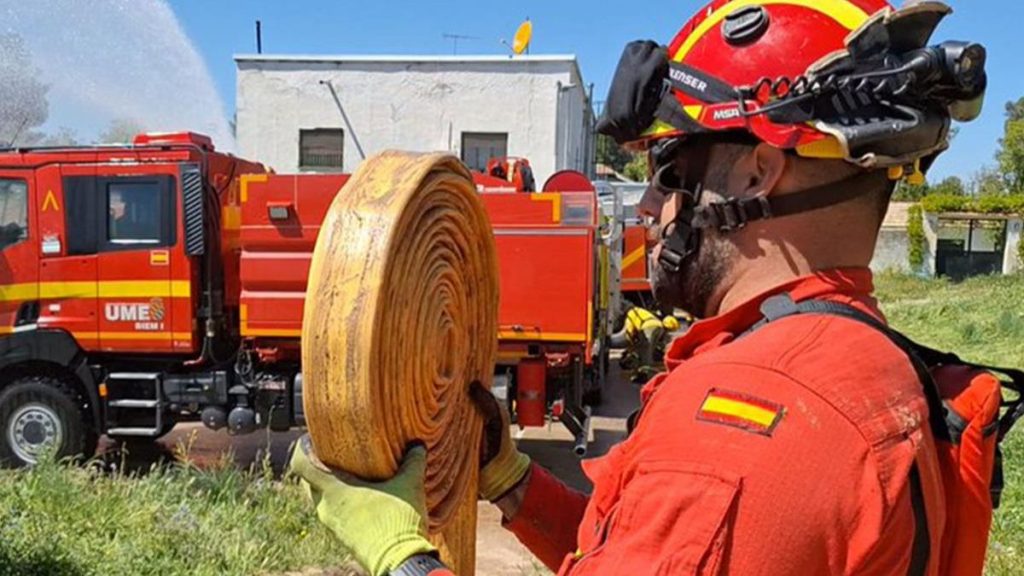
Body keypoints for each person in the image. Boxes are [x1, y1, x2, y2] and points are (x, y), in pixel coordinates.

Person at [289, 1, 990, 574]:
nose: (649, 210)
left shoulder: (750, 419)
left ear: (756, 172)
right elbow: (628, 554)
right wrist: (510, 481)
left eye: (667, 170)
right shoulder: (859, 355)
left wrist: (401, 557)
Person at [611, 306, 684, 383]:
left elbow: (629, 331)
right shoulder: (642, 311)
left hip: (648, 328)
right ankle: (645, 371)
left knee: (645, 353)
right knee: (649, 351)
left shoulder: (630, 314)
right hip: (658, 326)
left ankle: (644, 375)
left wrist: (631, 343)